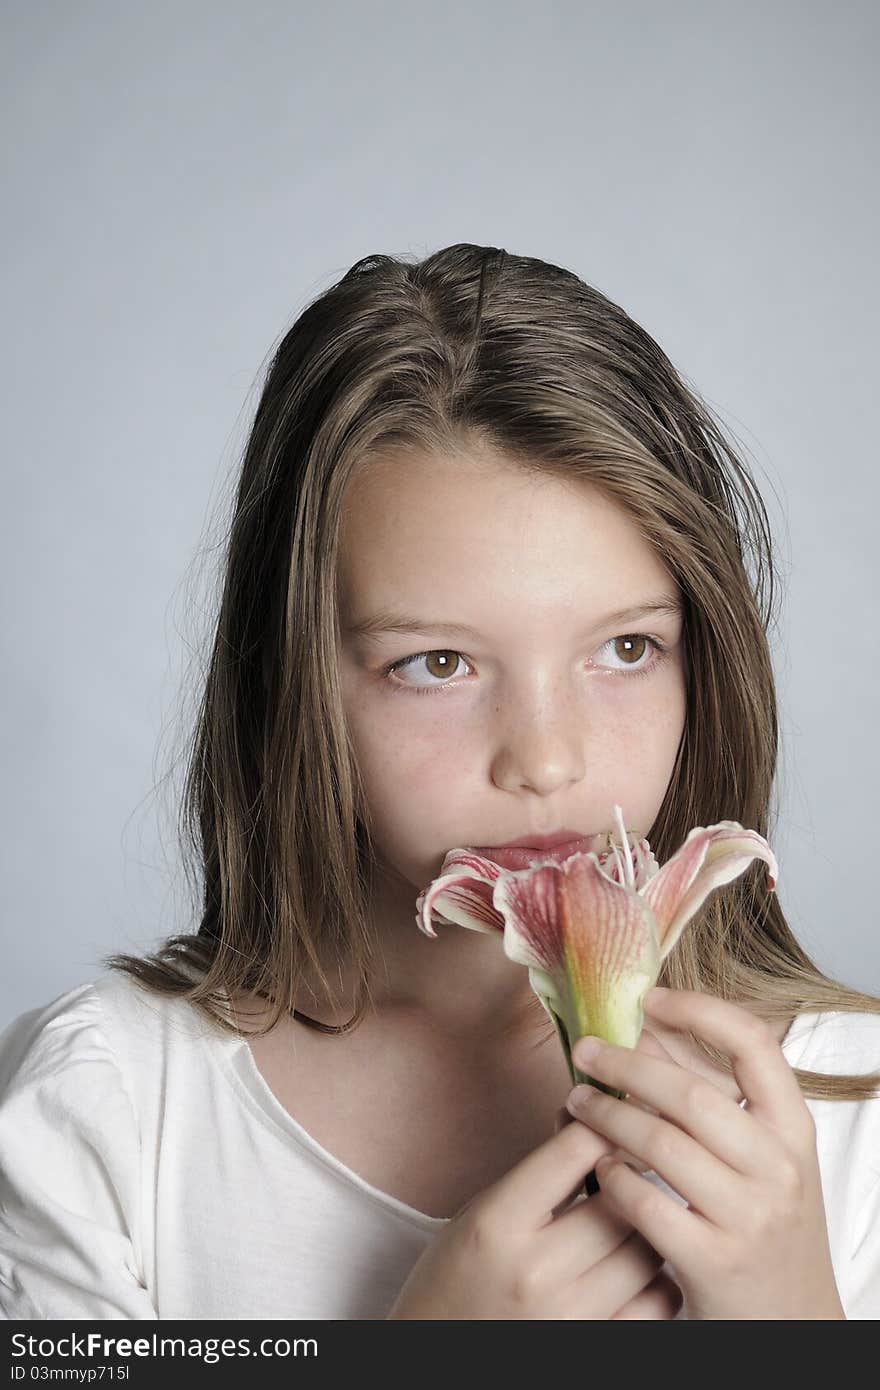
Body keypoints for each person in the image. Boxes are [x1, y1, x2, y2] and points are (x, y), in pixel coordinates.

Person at [1, 244, 878, 1321]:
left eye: (626, 650)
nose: (548, 761)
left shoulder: (852, 1113)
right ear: (290, 686)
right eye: (438, 664)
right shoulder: (111, 1110)